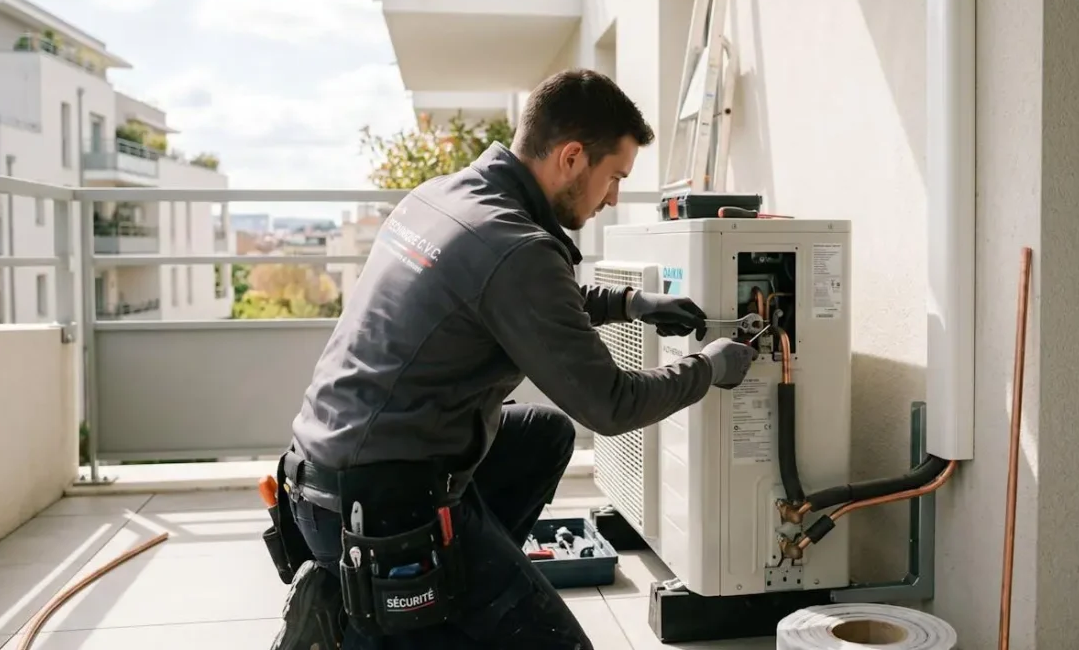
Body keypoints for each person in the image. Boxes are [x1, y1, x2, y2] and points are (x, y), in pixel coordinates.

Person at [268, 69, 758, 650]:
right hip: (383, 512)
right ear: (573, 157)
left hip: (318, 479)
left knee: (543, 434)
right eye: (614, 177)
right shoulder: (518, 248)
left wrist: (632, 303)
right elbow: (610, 403)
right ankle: (389, 619)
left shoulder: (444, 197)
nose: (614, 198)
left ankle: (454, 591)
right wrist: (712, 367)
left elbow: (515, 295)